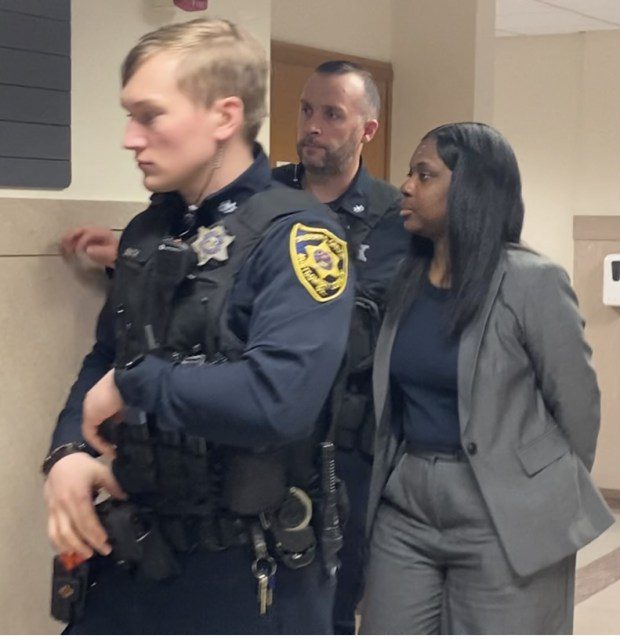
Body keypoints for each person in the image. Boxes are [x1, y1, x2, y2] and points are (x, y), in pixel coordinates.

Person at [60, 59, 409, 634]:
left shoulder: (389, 221)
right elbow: (201, 285)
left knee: (334, 594)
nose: (313, 125)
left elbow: (286, 389)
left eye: (332, 114)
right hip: (185, 478)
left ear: (367, 128)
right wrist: (130, 257)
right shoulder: (250, 204)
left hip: (331, 446)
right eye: (306, 110)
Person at [360, 122, 614, 635]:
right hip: (407, 503)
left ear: (471, 188)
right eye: (409, 173)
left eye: (424, 174)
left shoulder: (532, 282)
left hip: (502, 511)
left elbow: (578, 408)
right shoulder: (405, 281)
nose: (406, 186)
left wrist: (538, 494)